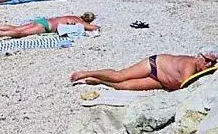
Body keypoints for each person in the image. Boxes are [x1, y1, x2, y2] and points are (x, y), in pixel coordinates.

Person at [71, 51, 218, 91]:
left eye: (212, 62)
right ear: (199, 57)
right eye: (206, 60)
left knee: (125, 86)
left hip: (162, 82)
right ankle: (86, 73)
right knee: (119, 76)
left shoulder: (206, 69)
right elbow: (187, 86)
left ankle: (100, 81)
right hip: (155, 65)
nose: (209, 64)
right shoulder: (189, 65)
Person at [0, 12, 98, 43]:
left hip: (43, 20)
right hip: (46, 26)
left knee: (18, 28)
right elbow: (92, 28)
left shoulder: (73, 16)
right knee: (21, 33)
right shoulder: (78, 21)